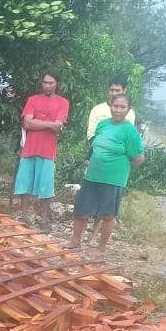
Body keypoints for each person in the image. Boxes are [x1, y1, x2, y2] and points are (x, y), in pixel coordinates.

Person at [68, 95, 145, 250]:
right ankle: (75, 242)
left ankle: (101, 248)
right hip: (92, 175)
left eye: (122, 107)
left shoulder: (130, 131)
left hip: (113, 179)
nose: (118, 110)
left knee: (108, 214)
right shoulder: (102, 124)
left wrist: (119, 166)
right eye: (115, 106)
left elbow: (138, 158)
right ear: (110, 106)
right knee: (81, 210)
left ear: (128, 109)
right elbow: (95, 146)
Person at [11, 72, 69, 228]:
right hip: (29, 149)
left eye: (51, 82)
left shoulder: (63, 102)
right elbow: (27, 124)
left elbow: (58, 126)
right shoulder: (32, 100)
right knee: (24, 184)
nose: (47, 85)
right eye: (45, 82)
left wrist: (37, 122)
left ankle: (43, 218)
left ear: (57, 83)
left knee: (46, 186)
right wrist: (50, 124)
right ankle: (24, 216)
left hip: (48, 151)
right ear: (41, 83)